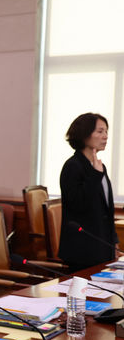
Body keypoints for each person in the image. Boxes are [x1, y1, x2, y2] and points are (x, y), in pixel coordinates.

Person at [58, 113, 118, 271]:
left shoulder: (98, 166)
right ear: (84, 134)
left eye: (106, 131)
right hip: (83, 250)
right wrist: (95, 175)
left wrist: (114, 240)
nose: (105, 136)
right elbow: (78, 204)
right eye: (100, 131)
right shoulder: (73, 166)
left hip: (103, 247)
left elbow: (106, 209)